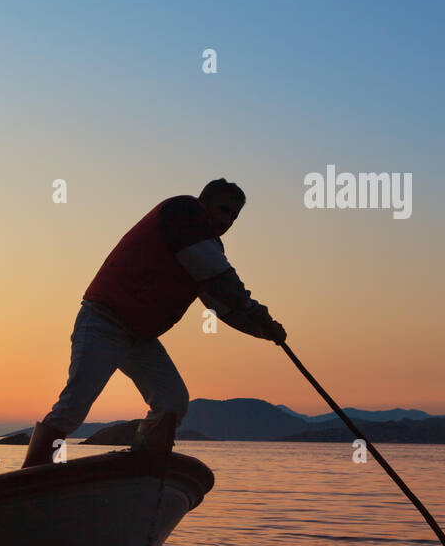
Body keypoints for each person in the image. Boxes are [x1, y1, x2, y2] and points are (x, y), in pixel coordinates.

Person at [22, 179, 285, 468]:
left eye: (234, 216)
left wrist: (262, 329)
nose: (227, 220)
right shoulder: (184, 213)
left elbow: (222, 304)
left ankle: (145, 465)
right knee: (73, 407)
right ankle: (32, 472)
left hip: (139, 338)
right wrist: (256, 312)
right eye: (223, 210)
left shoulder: (207, 247)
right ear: (204, 202)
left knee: (173, 402)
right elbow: (223, 283)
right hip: (102, 322)